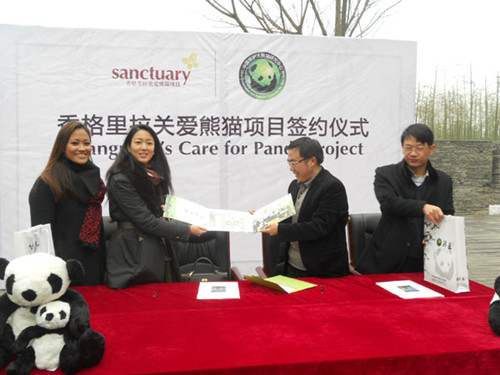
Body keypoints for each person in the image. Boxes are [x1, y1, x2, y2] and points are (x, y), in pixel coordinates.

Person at [105, 125, 206, 289]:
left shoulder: (155, 176)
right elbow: (145, 221)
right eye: (138, 142)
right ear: (128, 147)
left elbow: (157, 214)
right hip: (133, 253)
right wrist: (187, 230)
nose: (144, 147)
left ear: (155, 148)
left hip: (157, 246)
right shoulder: (121, 178)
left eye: (149, 143)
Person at [355, 123, 455, 274]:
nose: (413, 153)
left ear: (431, 149)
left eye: (419, 148)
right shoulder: (386, 174)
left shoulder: (444, 180)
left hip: (428, 258)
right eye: (408, 148)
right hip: (389, 258)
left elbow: (447, 213)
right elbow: (389, 203)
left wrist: (436, 235)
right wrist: (422, 207)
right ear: (402, 148)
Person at [29, 121, 106, 286]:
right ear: (62, 146)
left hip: (93, 264)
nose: (82, 148)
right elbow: (41, 236)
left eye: (87, 143)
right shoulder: (48, 182)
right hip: (61, 269)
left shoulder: (95, 180)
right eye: (75, 143)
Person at [262, 137, 350, 278]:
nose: (291, 168)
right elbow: (288, 217)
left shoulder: (332, 188)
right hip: (292, 267)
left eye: (294, 162)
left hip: (322, 271)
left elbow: (318, 227)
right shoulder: (294, 185)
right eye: (289, 162)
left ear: (312, 161)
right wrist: (262, 216)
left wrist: (279, 229)